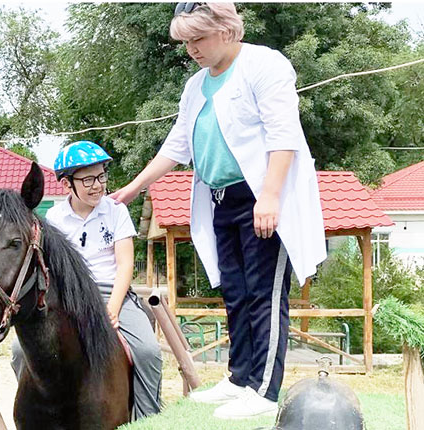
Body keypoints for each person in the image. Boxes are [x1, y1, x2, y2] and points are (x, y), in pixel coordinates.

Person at [110, 3, 326, 420]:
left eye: (198, 39)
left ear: (227, 30)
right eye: (186, 41)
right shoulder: (195, 85)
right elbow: (178, 144)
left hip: (262, 198)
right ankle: (240, 378)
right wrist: (135, 186)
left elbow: (284, 135)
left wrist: (270, 196)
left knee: (265, 294)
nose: (191, 48)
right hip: (219, 200)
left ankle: (263, 391)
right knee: (236, 291)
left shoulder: (264, 65)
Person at [11, 140, 163, 420]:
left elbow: (126, 263)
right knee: (20, 349)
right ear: (67, 185)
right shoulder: (54, 218)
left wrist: (114, 309)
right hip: (69, 297)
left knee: (148, 350)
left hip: (112, 292)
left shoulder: (116, 211)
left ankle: (149, 418)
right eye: (88, 179)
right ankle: (32, 412)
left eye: (101, 176)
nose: (98, 185)